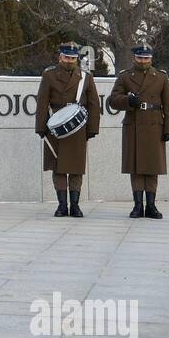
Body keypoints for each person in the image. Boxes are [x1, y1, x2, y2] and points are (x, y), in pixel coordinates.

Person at [108, 44, 169, 219]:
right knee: (136, 168)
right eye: (140, 58)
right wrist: (128, 101)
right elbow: (113, 100)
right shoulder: (125, 77)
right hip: (134, 125)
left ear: (151, 59)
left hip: (155, 125)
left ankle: (151, 206)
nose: (143, 61)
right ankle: (138, 205)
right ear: (134, 58)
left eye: (146, 58)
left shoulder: (161, 77)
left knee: (153, 168)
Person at [35, 41, 99, 217]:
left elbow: (94, 103)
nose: (70, 60)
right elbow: (42, 102)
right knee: (59, 167)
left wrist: (93, 127)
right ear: (60, 56)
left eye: (73, 58)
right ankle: (62, 206)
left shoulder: (86, 77)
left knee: (77, 168)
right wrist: (41, 126)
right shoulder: (49, 75)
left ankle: (75, 206)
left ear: (77, 58)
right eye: (66, 57)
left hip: (77, 127)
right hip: (56, 126)